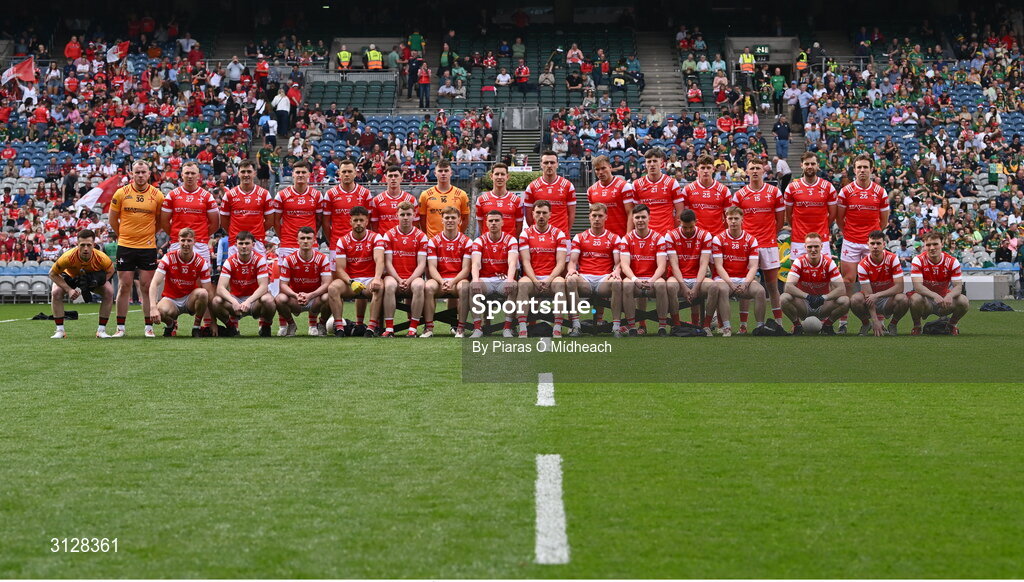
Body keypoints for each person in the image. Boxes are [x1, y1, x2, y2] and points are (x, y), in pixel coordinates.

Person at [109, 160, 165, 338]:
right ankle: (120, 328)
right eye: (137, 172)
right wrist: (123, 235)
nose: (140, 175)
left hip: (147, 247)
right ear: (131, 173)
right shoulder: (121, 193)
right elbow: (112, 219)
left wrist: (147, 235)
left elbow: (160, 222)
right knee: (124, 286)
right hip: (125, 246)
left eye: (143, 172)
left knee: (146, 287)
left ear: (149, 174)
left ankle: (148, 328)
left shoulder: (157, 195)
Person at [732, 157, 786, 332]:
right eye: (751, 168)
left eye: (758, 168)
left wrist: (770, 235)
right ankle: (743, 325)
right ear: (746, 172)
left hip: (769, 245)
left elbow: (780, 221)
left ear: (764, 171)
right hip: (747, 247)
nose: (755, 171)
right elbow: (735, 221)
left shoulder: (774, 192)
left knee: (772, 286)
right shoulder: (739, 195)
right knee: (745, 286)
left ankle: (779, 323)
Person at [837, 154, 889, 334]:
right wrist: (850, 234)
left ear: (872, 169)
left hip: (871, 244)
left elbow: (883, 221)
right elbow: (839, 218)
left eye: (865, 167)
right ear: (854, 170)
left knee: (875, 282)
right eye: (859, 167)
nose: (862, 171)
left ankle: (879, 320)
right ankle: (843, 322)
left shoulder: (880, 192)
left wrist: (871, 237)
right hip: (851, 241)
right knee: (848, 281)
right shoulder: (846, 191)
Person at [566, 203, 623, 337]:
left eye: (600, 216)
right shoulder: (580, 237)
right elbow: (572, 261)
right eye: (594, 216)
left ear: (606, 217)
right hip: (585, 278)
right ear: (589, 217)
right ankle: (575, 326)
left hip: (604, 279)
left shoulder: (614, 238)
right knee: (570, 279)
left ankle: (616, 327)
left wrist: (617, 271)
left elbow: (618, 262)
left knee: (617, 282)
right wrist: (571, 270)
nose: (597, 219)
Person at [327, 206, 384, 337]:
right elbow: (340, 268)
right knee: (333, 288)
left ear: (367, 221)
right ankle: (340, 328)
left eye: (361, 220)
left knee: (379, 286)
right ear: (350, 221)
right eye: (355, 220)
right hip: (351, 280)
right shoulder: (342, 241)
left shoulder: (376, 238)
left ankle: (370, 328)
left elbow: (379, 260)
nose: (358, 223)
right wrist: (351, 282)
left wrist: (376, 278)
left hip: (369, 279)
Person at [47, 228, 115, 339]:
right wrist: (69, 289)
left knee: (109, 292)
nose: (85, 248)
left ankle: (101, 331)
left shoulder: (102, 258)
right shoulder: (67, 257)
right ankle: (60, 331)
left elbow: (111, 271)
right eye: (82, 245)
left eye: (89, 245)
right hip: (70, 277)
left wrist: (97, 283)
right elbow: (52, 274)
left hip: (91, 278)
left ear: (94, 244)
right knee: (56, 292)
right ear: (77, 244)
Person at [149, 228, 216, 337]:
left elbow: (209, 291)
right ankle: (171, 325)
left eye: (189, 241)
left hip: (190, 299)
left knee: (203, 293)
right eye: (183, 240)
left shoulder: (201, 262)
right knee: (160, 310)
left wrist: (213, 322)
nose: (186, 244)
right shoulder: (168, 258)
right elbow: (154, 283)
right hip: (172, 299)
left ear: (194, 241)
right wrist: (152, 307)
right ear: (178, 241)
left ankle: (196, 327)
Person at [711, 207, 767, 337]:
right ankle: (726, 327)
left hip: (743, 278)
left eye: (736, 218)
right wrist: (731, 284)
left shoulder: (751, 240)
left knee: (760, 291)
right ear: (726, 220)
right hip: (723, 279)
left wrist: (746, 284)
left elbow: (753, 267)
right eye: (730, 218)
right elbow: (718, 266)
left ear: (742, 219)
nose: (733, 221)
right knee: (723, 290)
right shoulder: (718, 239)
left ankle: (760, 327)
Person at [517, 201, 569, 338]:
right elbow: (526, 261)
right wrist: (535, 280)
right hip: (532, 278)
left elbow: (561, 263)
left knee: (560, 283)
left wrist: (549, 279)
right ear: (532, 214)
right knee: (522, 283)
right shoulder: (525, 234)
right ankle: (522, 327)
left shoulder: (559, 234)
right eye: (538, 213)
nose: (541, 216)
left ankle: (557, 327)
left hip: (551, 278)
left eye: (544, 213)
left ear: (550, 215)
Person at [780, 232, 848, 335]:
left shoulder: (829, 263)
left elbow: (842, 289)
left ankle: (827, 326)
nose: (813, 250)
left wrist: (824, 298)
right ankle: (797, 326)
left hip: (823, 305)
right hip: (804, 304)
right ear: (805, 247)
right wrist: (807, 297)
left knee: (845, 300)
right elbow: (788, 287)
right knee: (784, 298)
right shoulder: (799, 262)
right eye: (810, 247)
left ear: (821, 246)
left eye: (816, 246)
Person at [467, 211, 519, 338]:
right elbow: (476, 264)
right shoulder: (479, 241)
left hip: (503, 280)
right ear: (486, 223)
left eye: (496, 220)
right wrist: (475, 279)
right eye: (491, 221)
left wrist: (510, 279)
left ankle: (507, 328)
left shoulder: (510, 239)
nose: (493, 223)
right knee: (472, 287)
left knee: (514, 286)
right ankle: (477, 328)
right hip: (486, 280)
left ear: (502, 222)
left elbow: (512, 263)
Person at [213, 230, 275, 337]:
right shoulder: (230, 261)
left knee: (268, 299)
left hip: (255, 301)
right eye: (241, 243)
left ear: (253, 245)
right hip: (236, 300)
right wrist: (233, 302)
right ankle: (231, 327)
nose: (244, 246)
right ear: (236, 245)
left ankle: (265, 326)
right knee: (216, 301)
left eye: (247, 243)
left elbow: (264, 286)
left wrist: (249, 301)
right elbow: (220, 288)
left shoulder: (259, 260)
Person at [620, 204, 669, 335]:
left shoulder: (658, 238)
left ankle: (662, 326)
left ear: (649, 218)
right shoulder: (626, 239)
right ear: (633, 219)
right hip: (635, 277)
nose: (640, 220)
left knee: (661, 285)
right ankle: (632, 326)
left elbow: (662, 266)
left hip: (653, 277)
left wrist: (652, 280)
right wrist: (635, 279)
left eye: (643, 217)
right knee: (627, 285)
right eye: (637, 217)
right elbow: (624, 265)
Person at [664, 209, 717, 332]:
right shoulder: (671, 235)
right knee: (671, 286)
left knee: (714, 287)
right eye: (684, 227)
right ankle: (676, 325)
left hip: (697, 276)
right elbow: (674, 264)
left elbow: (704, 264)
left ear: (696, 222)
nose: (688, 230)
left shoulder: (705, 235)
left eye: (691, 227)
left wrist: (696, 287)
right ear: (679, 222)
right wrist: (684, 287)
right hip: (678, 277)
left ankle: (706, 326)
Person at [424, 206, 473, 338]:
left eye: (453, 218)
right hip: (440, 280)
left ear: (459, 221)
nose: (450, 220)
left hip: (457, 280)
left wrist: (452, 282)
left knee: (465, 287)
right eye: (447, 218)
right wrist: (442, 281)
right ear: (442, 220)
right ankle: (428, 327)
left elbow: (466, 269)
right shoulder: (433, 241)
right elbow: (432, 267)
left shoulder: (467, 242)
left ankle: (460, 328)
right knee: (428, 287)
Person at [275, 226, 332, 337]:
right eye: (302, 238)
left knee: (330, 296)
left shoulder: (322, 258)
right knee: (279, 299)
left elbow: (327, 284)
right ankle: (291, 324)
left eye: (308, 238)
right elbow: (283, 285)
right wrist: (296, 295)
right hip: (296, 299)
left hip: (315, 299)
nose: (305, 241)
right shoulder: (289, 259)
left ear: (314, 240)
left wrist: (311, 295)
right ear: (297, 240)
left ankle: (321, 324)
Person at [382, 202, 428, 337]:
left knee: (419, 285)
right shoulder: (389, 235)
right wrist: (399, 279)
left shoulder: (421, 236)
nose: (406, 217)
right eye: (402, 214)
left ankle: (413, 328)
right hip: (394, 276)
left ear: (414, 215)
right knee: (389, 285)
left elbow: (421, 264)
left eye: (408, 214)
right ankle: (389, 328)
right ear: (397, 215)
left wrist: (409, 280)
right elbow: (388, 263)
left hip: (412, 277)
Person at [851, 230, 909, 336]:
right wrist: (875, 320)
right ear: (868, 245)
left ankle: (893, 324)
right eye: (872, 243)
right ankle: (866, 324)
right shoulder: (862, 265)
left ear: (884, 244)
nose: (875, 246)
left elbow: (900, 287)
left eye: (878, 243)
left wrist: (877, 295)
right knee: (855, 299)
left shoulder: (893, 259)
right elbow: (868, 295)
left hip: (888, 300)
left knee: (903, 299)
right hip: (870, 300)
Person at [909, 232, 969, 335]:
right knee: (915, 298)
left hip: (944, 301)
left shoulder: (952, 261)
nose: (932, 248)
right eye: (928, 245)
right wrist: (934, 295)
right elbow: (917, 286)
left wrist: (949, 295)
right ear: (924, 246)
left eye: (935, 244)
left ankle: (951, 325)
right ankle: (917, 326)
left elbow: (958, 287)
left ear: (942, 244)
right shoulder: (918, 260)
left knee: (963, 301)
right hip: (926, 301)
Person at [785, 152, 837, 259]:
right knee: (797, 273)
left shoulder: (828, 187)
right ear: (801, 165)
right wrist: (796, 227)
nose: (810, 167)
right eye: (807, 164)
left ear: (818, 165)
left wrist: (823, 227)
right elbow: (788, 214)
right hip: (799, 239)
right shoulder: (791, 188)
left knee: (823, 273)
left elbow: (833, 214)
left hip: (821, 238)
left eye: (813, 164)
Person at [221, 160, 274, 257]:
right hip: (235, 242)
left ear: (255, 173)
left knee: (258, 272)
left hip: (257, 241)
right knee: (236, 271)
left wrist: (258, 231)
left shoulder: (264, 194)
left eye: (249, 172)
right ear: (238, 174)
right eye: (243, 171)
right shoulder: (229, 195)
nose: (246, 175)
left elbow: (270, 221)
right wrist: (234, 233)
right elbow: (224, 221)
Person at [272, 161, 323, 258]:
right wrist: (283, 237)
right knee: (285, 273)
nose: (300, 175)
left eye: (303, 172)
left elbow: (319, 220)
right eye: (297, 172)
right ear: (292, 174)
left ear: (309, 174)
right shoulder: (282, 195)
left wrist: (311, 235)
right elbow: (276, 221)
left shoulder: (317, 195)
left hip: (310, 244)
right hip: (288, 244)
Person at [631, 148, 684, 236]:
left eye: (655, 161)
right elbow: (634, 212)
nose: (652, 164)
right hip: (645, 234)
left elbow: (680, 211)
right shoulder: (637, 184)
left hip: (666, 233)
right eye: (649, 161)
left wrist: (674, 232)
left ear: (662, 163)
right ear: (645, 164)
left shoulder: (671, 183)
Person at [525, 151, 576, 234]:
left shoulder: (568, 186)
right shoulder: (532, 187)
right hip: (539, 236)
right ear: (541, 164)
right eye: (546, 163)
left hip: (561, 234)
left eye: (552, 162)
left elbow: (571, 214)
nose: (549, 165)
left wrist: (564, 232)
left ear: (557, 164)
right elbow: (529, 216)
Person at [682, 154, 731, 237]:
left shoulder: (724, 190)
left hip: (717, 236)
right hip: (696, 236)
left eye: (708, 168)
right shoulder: (687, 190)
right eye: (702, 168)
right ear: (697, 169)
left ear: (713, 169)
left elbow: (728, 217)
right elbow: (685, 217)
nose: (705, 171)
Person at [418, 160, 470, 238]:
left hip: (454, 241)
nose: (443, 173)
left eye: (446, 171)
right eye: (440, 171)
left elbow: (465, 219)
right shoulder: (425, 195)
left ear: (451, 173)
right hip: (432, 241)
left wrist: (458, 234)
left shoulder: (462, 195)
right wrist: (429, 237)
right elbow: (422, 220)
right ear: (435, 173)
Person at [587, 155, 635, 237]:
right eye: (597, 169)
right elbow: (593, 217)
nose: (600, 172)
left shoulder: (624, 186)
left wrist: (628, 237)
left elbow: (631, 213)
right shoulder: (591, 190)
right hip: (602, 239)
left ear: (610, 167)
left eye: (603, 168)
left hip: (621, 236)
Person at [475, 163, 524, 236]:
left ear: (507, 177)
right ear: (491, 176)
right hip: (488, 244)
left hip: (509, 244)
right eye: (497, 174)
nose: (500, 177)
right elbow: (480, 225)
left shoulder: (516, 200)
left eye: (502, 174)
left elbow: (519, 226)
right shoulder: (481, 200)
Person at [369, 165, 417, 235]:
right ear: (385, 178)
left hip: (403, 240)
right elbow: (374, 225)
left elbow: (415, 223)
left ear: (401, 178)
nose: (393, 178)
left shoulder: (411, 200)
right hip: (384, 241)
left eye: (396, 176)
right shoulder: (377, 200)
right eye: (390, 176)